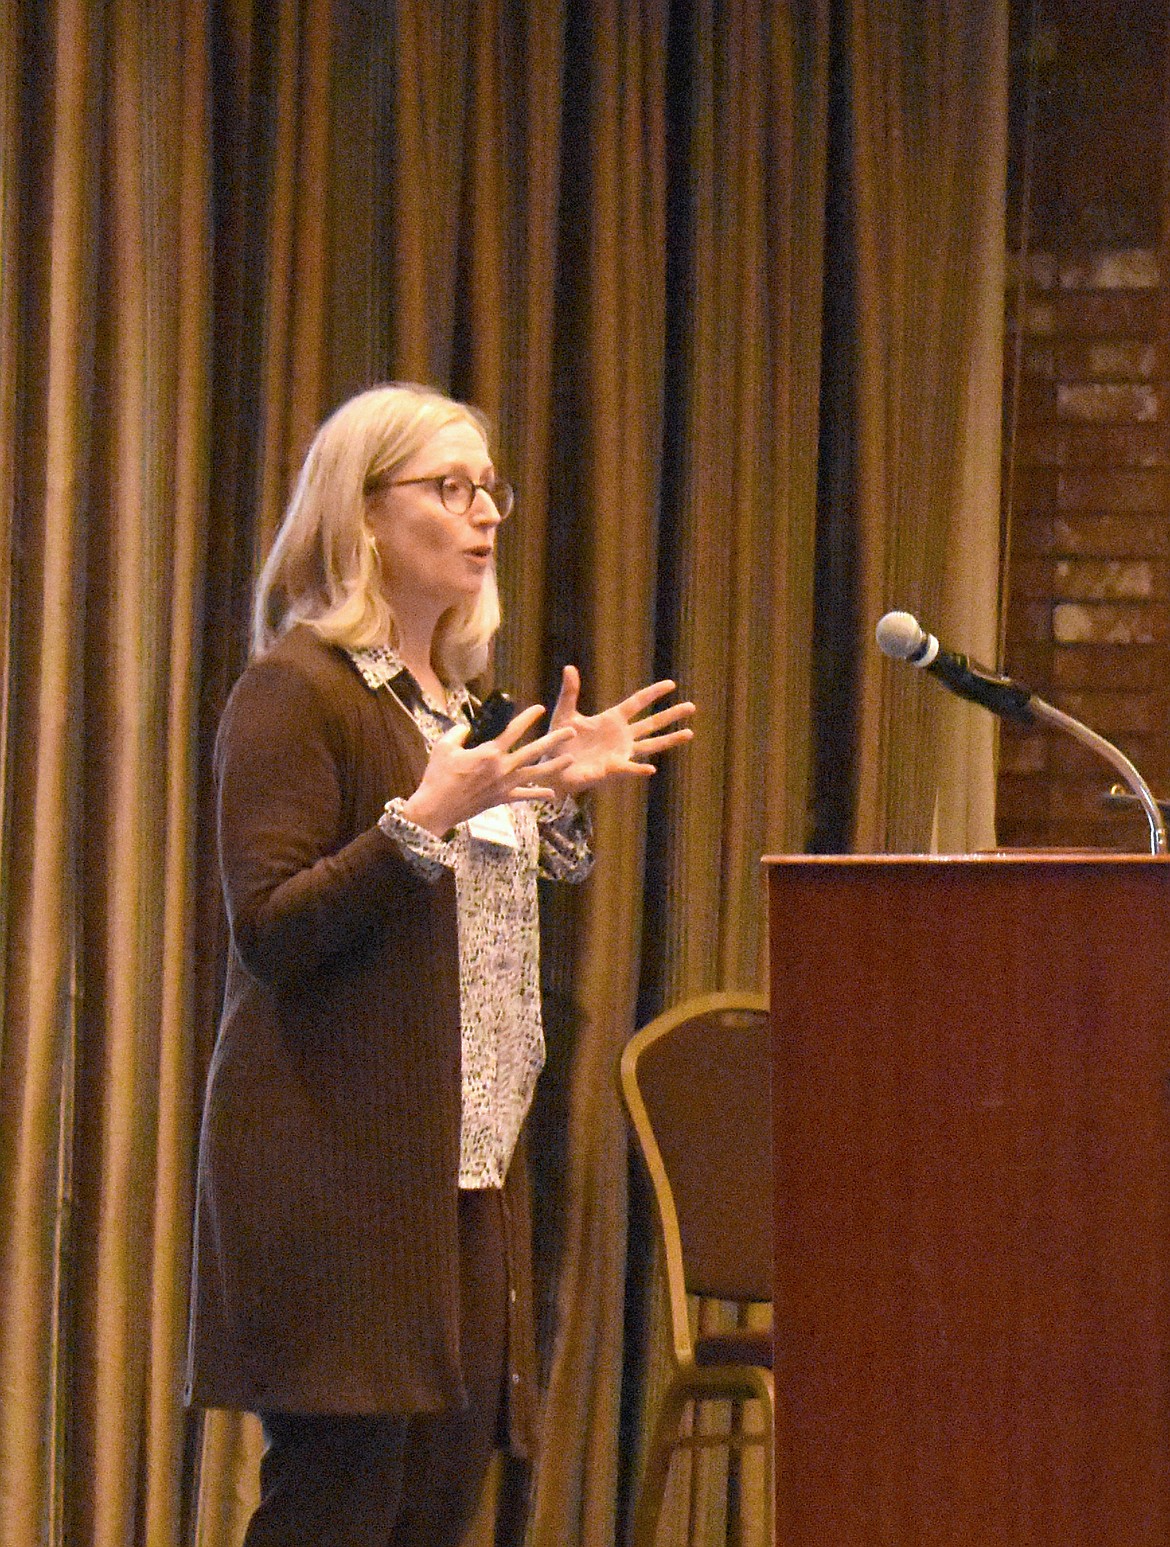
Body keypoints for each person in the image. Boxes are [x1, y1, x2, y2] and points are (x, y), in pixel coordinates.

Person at [185, 382, 694, 1547]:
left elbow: (493, 900)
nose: (484, 514)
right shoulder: (296, 691)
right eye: (449, 488)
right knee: (337, 1508)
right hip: (341, 1173)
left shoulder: (463, 706)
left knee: (434, 1507)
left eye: (490, 491)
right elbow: (269, 925)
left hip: (465, 1173)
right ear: (362, 515)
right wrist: (419, 819)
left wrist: (551, 791)